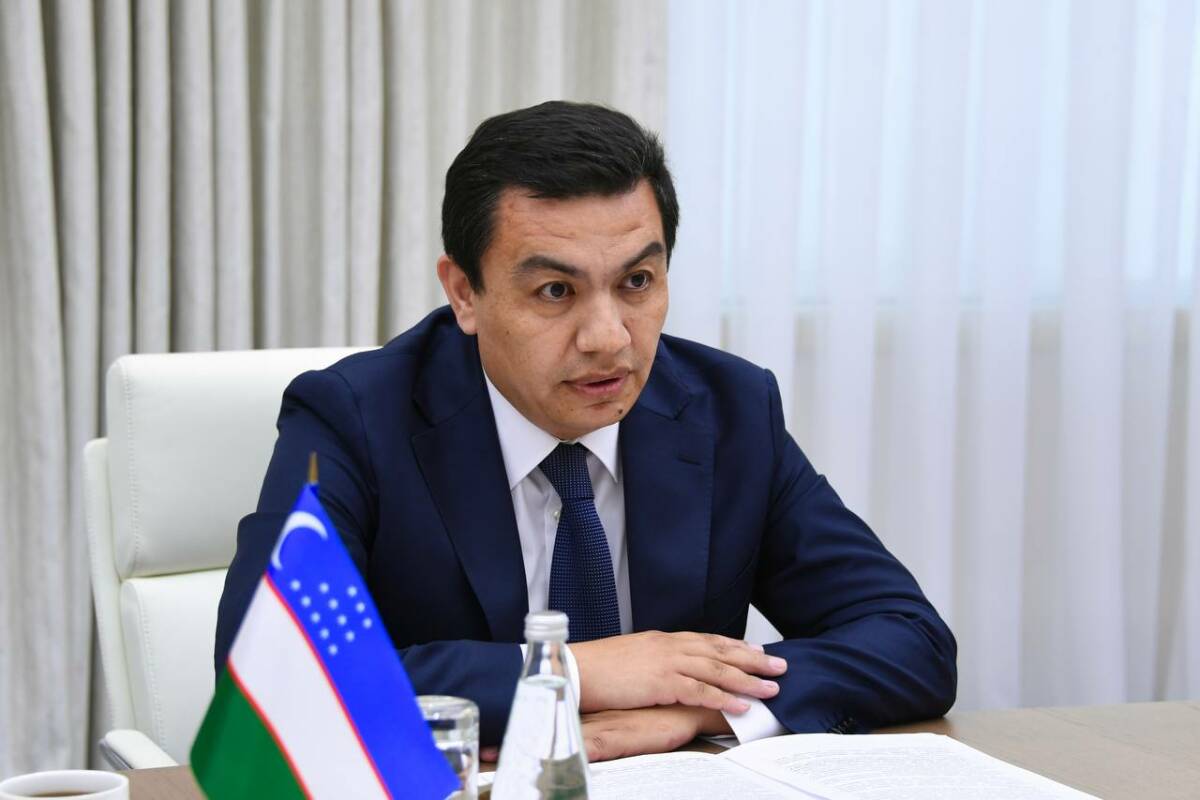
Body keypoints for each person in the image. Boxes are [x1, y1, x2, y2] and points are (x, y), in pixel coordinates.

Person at [215, 101, 956, 761]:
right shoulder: (354, 418)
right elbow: (273, 669)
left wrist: (705, 706)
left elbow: (910, 639)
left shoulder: (729, 411)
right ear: (465, 292)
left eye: (637, 282)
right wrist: (576, 673)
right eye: (555, 291)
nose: (609, 338)